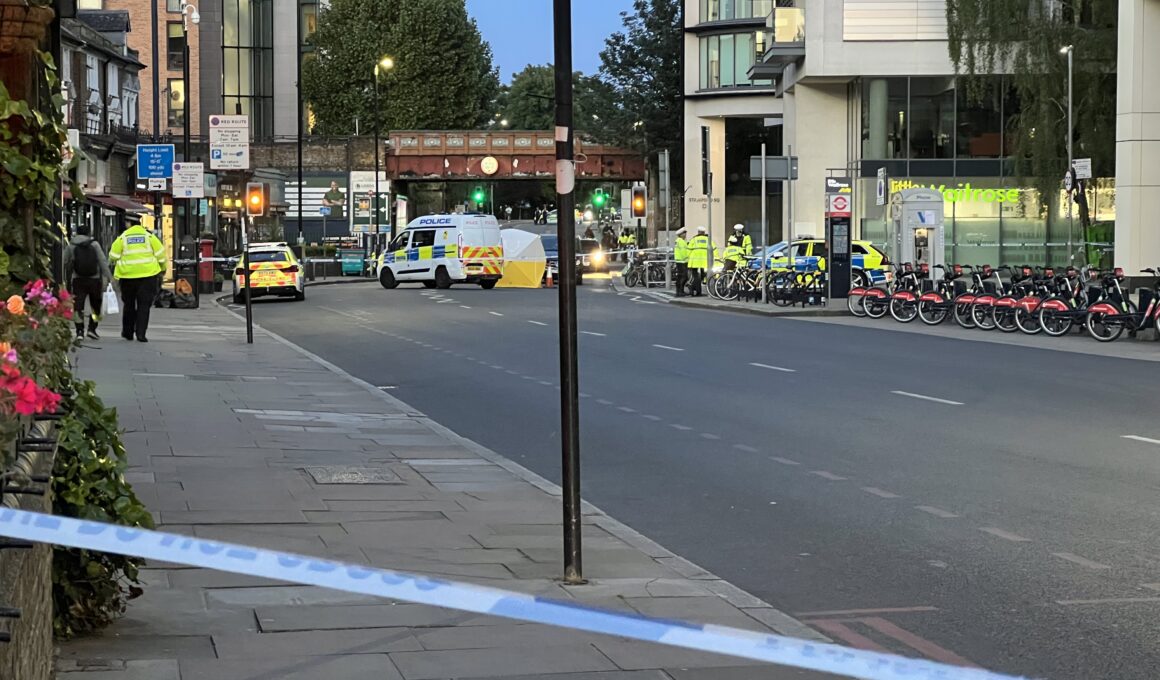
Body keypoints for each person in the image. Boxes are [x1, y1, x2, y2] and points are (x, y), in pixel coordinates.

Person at [109, 215, 167, 342]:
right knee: (144, 305)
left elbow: (113, 256)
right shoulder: (149, 237)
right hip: (148, 276)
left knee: (129, 305)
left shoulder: (122, 238)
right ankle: (141, 334)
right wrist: (162, 269)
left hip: (127, 276)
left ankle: (128, 332)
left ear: (129, 223)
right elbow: (161, 256)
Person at [63, 223, 112, 339]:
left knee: (78, 307)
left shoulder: (71, 245)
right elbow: (102, 261)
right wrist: (109, 277)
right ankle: (92, 329)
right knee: (96, 306)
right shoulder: (94, 244)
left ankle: (79, 331)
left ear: (77, 233)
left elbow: (64, 261)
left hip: (78, 279)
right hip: (94, 280)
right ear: (88, 233)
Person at [687, 226, 712, 296]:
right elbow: (713, 249)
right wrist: (717, 258)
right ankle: (697, 291)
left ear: (698, 232)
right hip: (705, 262)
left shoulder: (694, 239)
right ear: (704, 233)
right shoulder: (708, 240)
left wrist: (687, 259)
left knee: (695, 276)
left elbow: (688, 250)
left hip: (694, 261)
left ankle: (692, 288)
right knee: (703, 276)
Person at [673, 227, 689, 297]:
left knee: (680, 277)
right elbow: (683, 252)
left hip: (680, 261)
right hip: (682, 261)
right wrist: (688, 257)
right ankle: (680, 291)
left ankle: (679, 291)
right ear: (681, 234)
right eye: (684, 233)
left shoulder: (678, 241)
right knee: (684, 277)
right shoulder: (681, 241)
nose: (685, 235)